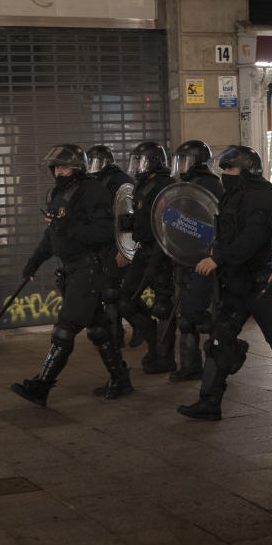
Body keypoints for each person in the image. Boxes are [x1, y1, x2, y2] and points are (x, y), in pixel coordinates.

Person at [177, 146, 272, 421]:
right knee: (220, 339)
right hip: (236, 281)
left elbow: (252, 238)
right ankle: (210, 402)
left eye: (230, 168)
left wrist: (219, 258)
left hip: (259, 283)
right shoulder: (235, 194)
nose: (225, 174)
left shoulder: (262, 197)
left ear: (247, 169)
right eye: (224, 168)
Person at [10, 144, 131, 406]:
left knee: (65, 329)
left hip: (89, 269)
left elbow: (104, 231)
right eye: (57, 167)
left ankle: (41, 386)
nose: (60, 172)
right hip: (71, 269)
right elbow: (53, 233)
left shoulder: (92, 191)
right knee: (98, 329)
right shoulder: (58, 193)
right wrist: (34, 261)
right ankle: (121, 379)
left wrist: (72, 228)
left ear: (78, 168)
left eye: (65, 167)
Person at [116, 142, 177, 374]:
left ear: (155, 163)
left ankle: (164, 357)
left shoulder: (166, 186)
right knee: (125, 299)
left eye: (142, 161)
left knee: (163, 306)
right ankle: (151, 342)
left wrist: (157, 260)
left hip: (161, 252)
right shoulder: (141, 185)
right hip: (143, 250)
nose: (137, 166)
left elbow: (168, 226)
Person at [169, 140, 224, 382]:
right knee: (186, 315)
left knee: (194, 315)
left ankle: (223, 352)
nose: (180, 165)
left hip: (203, 259)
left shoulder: (208, 186)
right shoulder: (189, 185)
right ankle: (191, 366)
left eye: (184, 160)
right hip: (187, 257)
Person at [85, 144, 134, 348]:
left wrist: (124, 250)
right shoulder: (93, 181)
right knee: (106, 291)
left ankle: (115, 338)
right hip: (100, 244)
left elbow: (128, 218)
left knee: (111, 293)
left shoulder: (119, 181)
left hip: (116, 244)